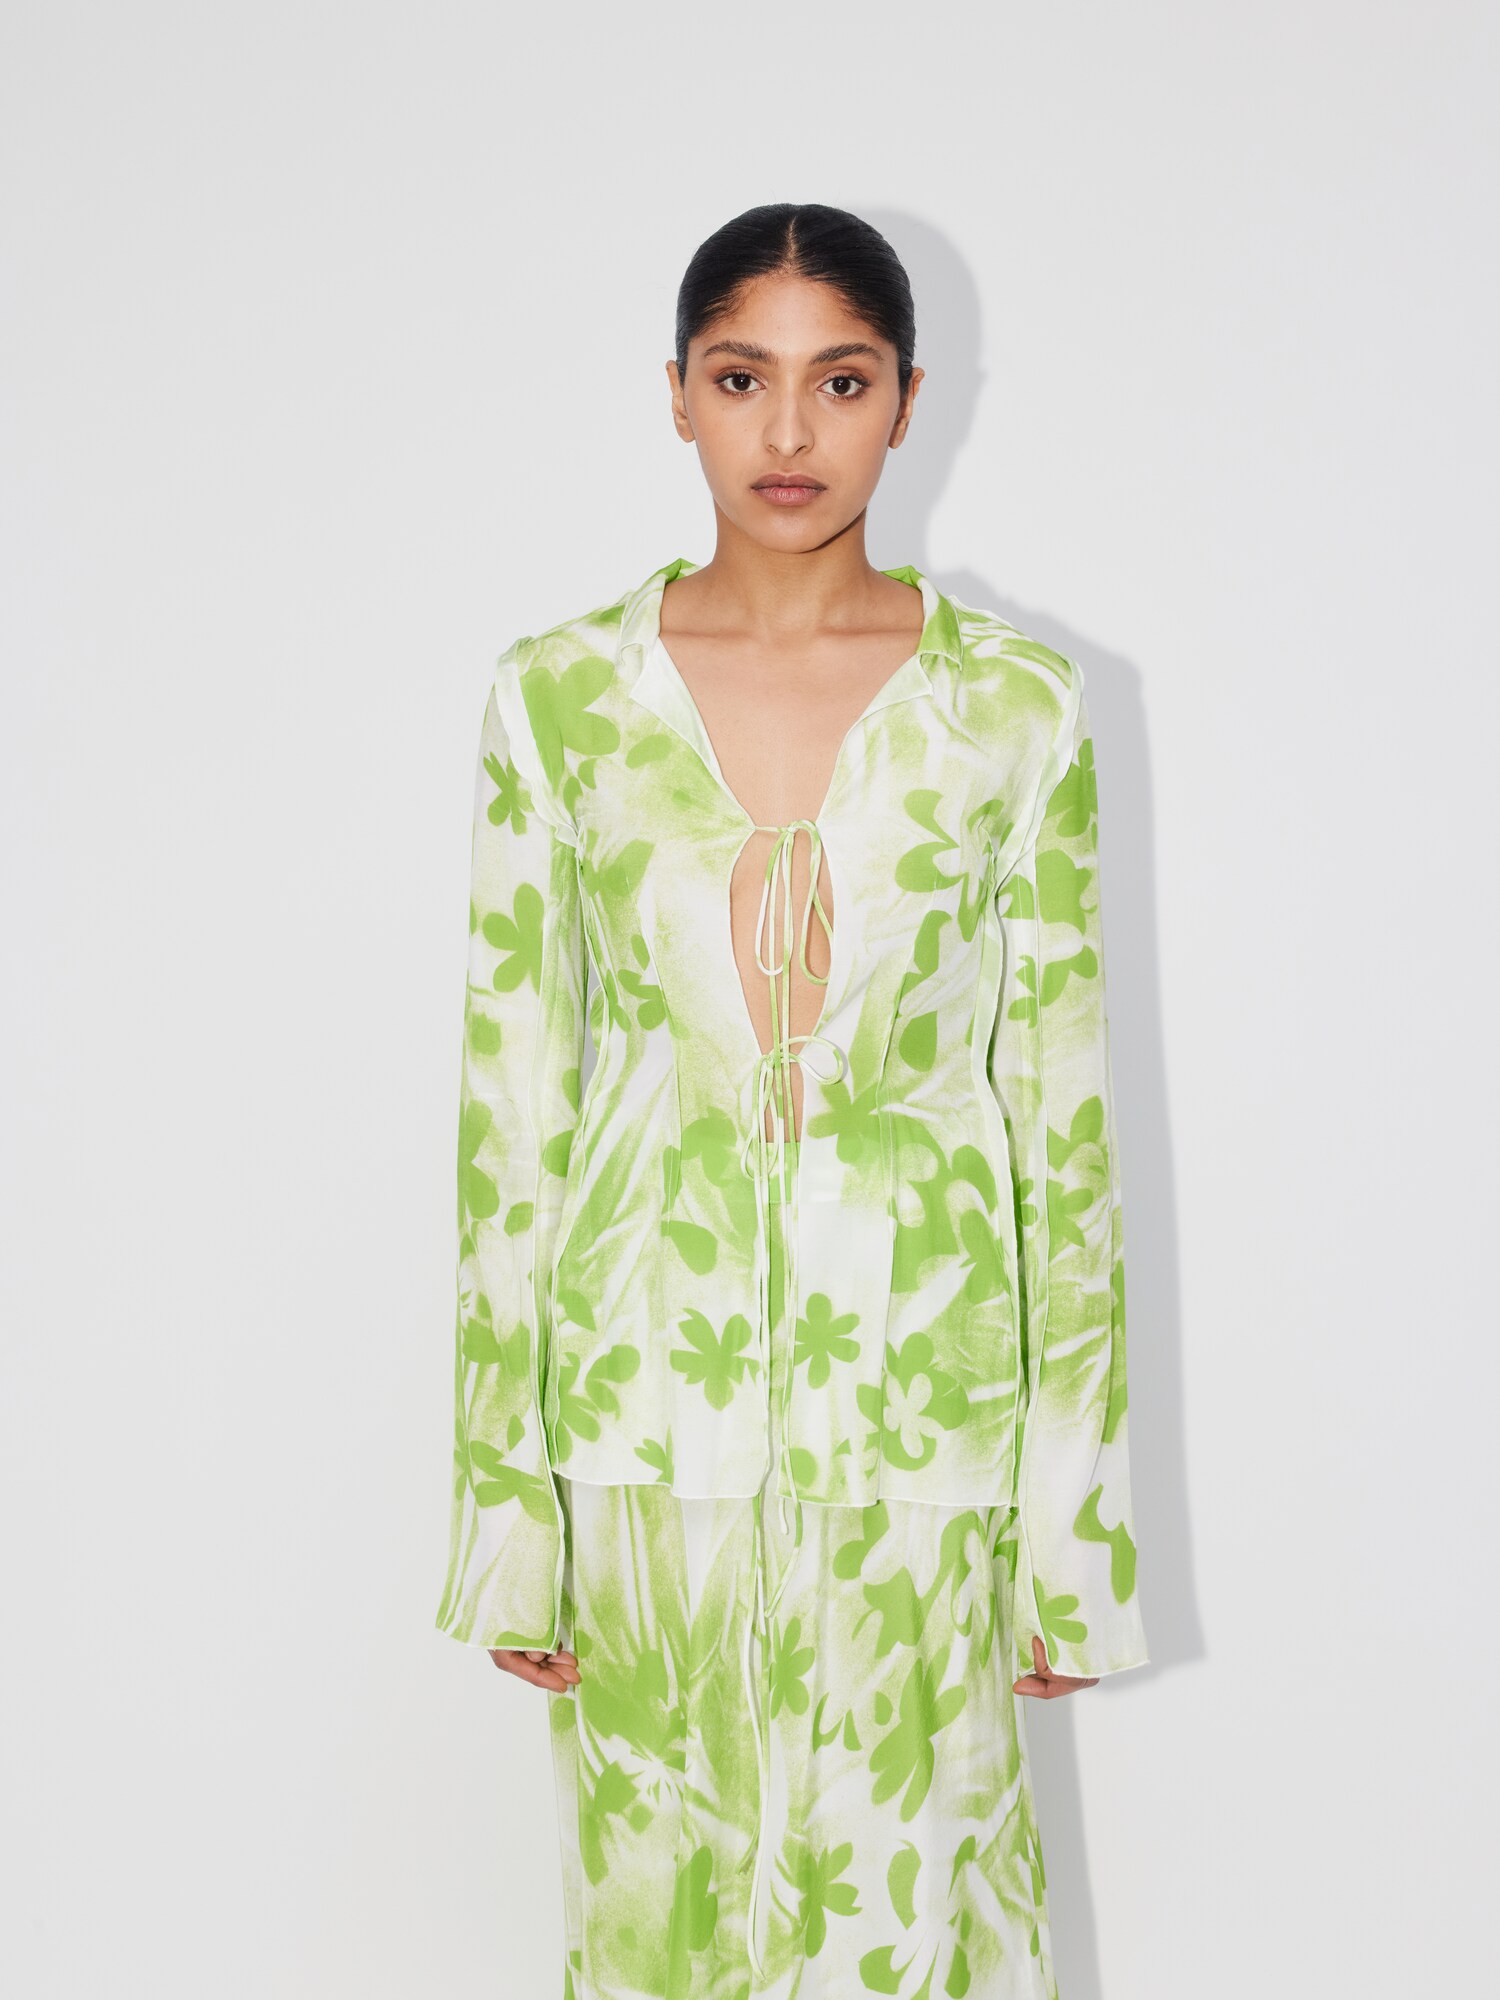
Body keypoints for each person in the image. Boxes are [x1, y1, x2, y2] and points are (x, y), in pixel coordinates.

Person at [435, 200, 1150, 1999]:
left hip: (927, 1418)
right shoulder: (560, 703)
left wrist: (1071, 1531)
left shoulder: (1018, 712)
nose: (788, 430)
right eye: (742, 377)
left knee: (917, 1924)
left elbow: (1063, 1128)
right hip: (638, 1422)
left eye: (840, 381)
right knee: (658, 1928)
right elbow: (510, 1118)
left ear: (907, 401)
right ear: (678, 395)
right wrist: (508, 1515)